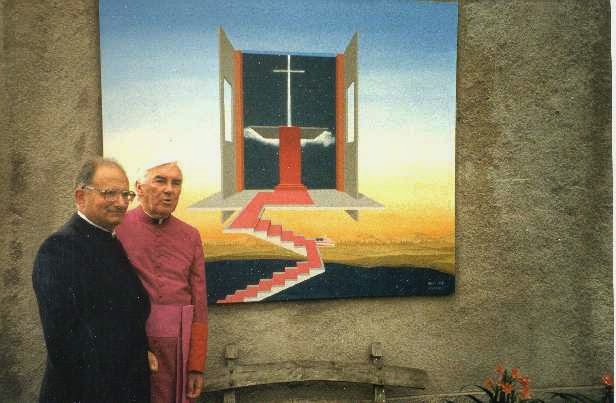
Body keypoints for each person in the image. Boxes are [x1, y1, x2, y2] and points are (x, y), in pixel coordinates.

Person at [32, 157, 151, 403]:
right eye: (109, 193)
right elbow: (64, 345)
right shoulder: (59, 248)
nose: (121, 203)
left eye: (126, 195)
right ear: (80, 196)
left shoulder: (110, 241)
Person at [116, 160, 207, 403]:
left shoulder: (191, 236)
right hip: (132, 342)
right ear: (139, 188)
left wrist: (196, 366)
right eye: (160, 180)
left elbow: (199, 304)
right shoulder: (117, 229)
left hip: (177, 348)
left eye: (176, 183)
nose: (169, 190)